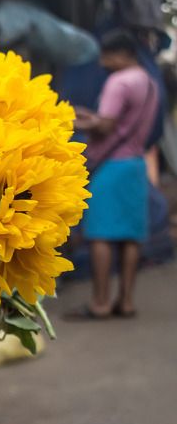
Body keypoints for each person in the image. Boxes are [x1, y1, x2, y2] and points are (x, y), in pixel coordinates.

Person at [72, 29, 159, 319]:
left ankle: (100, 303)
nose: (103, 62)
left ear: (122, 54)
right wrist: (92, 118)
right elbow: (124, 124)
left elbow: (107, 127)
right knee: (131, 237)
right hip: (135, 164)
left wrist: (77, 119)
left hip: (110, 167)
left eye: (107, 56)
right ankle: (126, 301)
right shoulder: (148, 82)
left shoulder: (118, 82)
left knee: (100, 235)